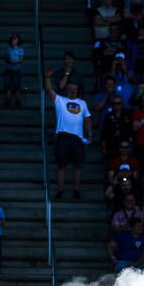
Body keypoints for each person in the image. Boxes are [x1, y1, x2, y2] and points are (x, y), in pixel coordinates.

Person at [44, 67, 92, 199]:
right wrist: (47, 78)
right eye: (70, 89)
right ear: (67, 89)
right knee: (61, 166)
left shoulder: (82, 103)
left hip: (77, 138)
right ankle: (60, 190)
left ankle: (76, 190)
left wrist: (90, 134)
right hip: (63, 136)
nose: (72, 91)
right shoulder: (60, 100)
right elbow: (49, 91)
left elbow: (87, 119)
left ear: (77, 90)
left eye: (74, 90)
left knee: (78, 166)